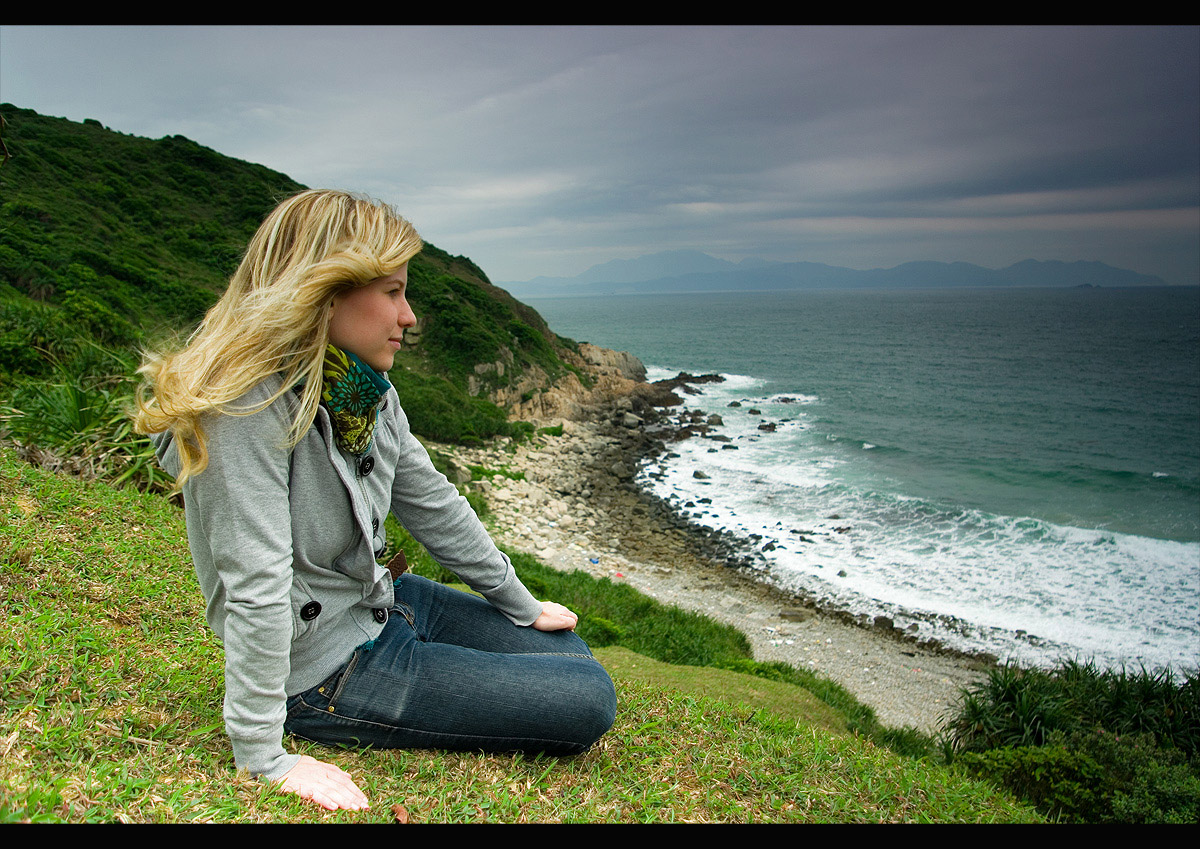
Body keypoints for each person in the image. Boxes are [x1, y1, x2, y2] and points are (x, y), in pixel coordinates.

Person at [135, 189, 616, 812]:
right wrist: (262, 755)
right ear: (323, 291)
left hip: (381, 603)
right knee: (587, 699)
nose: (408, 316)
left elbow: (433, 503)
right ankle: (323, 710)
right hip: (323, 668)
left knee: (563, 650)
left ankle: (436, 653)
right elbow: (254, 580)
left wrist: (518, 602)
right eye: (392, 292)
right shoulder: (244, 407)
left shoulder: (366, 389)